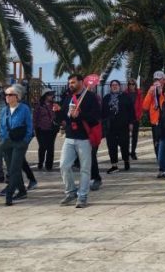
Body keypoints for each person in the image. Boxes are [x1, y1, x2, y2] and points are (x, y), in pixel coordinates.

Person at [58, 74, 100, 208]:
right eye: (69, 82)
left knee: (85, 169)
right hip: (70, 137)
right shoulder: (68, 97)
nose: (71, 85)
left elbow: (95, 118)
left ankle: (82, 197)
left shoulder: (90, 97)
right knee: (64, 165)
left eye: (73, 82)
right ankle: (71, 192)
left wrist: (80, 114)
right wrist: (57, 112)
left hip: (84, 138)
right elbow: (64, 116)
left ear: (81, 82)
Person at [0, 84, 33, 206]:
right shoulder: (4, 110)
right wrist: (1, 139)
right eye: (6, 95)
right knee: (12, 168)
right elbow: (0, 127)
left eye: (10, 95)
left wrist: (26, 140)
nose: (7, 97)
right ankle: (22, 191)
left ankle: (9, 194)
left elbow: (29, 126)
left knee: (14, 169)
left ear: (17, 96)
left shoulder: (24, 109)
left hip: (20, 142)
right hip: (6, 142)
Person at [101, 80, 134, 173]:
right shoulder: (106, 98)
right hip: (110, 126)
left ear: (119, 86)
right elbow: (102, 112)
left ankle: (126, 160)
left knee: (124, 144)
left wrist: (131, 123)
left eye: (116, 85)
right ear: (110, 87)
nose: (114, 86)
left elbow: (131, 110)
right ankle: (114, 165)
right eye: (112, 85)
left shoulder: (125, 97)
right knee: (111, 146)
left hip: (123, 125)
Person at [141, 71, 165, 161]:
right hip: (155, 121)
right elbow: (145, 106)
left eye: (159, 79)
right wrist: (150, 94)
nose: (157, 82)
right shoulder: (151, 90)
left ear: (163, 80)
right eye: (155, 80)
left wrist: (162, 93)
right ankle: (160, 160)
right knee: (157, 142)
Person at [34, 90, 58, 171]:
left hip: (52, 129)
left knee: (50, 147)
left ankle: (49, 166)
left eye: (52, 94)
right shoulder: (39, 105)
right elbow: (35, 117)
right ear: (45, 95)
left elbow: (57, 115)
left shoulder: (54, 104)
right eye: (50, 94)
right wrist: (35, 128)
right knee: (42, 147)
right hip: (41, 129)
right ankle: (40, 163)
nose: (52, 96)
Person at [125, 78, 143, 160]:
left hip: (136, 117)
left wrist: (139, 116)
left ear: (135, 85)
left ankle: (133, 152)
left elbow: (140, 105)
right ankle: (126, 152)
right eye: (129, 84)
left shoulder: (139, 93)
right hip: (127, 118)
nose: (131, 86)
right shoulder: (125, 93)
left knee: (135, 137)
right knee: (126, 137)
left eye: (133, 84)